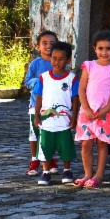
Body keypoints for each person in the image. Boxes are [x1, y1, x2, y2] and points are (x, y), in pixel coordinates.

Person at [74, 30, 110, 188]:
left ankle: (99, 175)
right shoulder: (88, 66)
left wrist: (106, 109)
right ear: (94, 49)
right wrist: (86, 108)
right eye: (100, 48)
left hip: (106, 112)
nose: (104, 52)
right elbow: (81, 89)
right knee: (86, 144)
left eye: (108, 48)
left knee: (103, 144)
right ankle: (87, 173)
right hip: (87, 111)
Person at [33, 41, 78, 186]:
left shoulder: (72, 78)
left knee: (66, 146)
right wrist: (37, 115)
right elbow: (38, 97)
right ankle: (45, 172)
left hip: (64, 121)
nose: (56, 62)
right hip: (47, 121)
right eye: (54, 58)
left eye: (61, 59)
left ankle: (67, 170)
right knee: (45, 146)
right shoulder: (43, 77)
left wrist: (75, 117)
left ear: (68, 60)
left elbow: (75, 99)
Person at [24, 30, 57, 176]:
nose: (48, 46)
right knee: (34, 134)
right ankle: (35, 159)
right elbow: (27, 81)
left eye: (52, 43)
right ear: (38, 46)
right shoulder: (35, 64)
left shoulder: (58, 62)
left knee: (51, 133)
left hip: (53, 106)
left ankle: (50, 159)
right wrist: (37, 82)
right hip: (35, 106)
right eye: (44, 43)